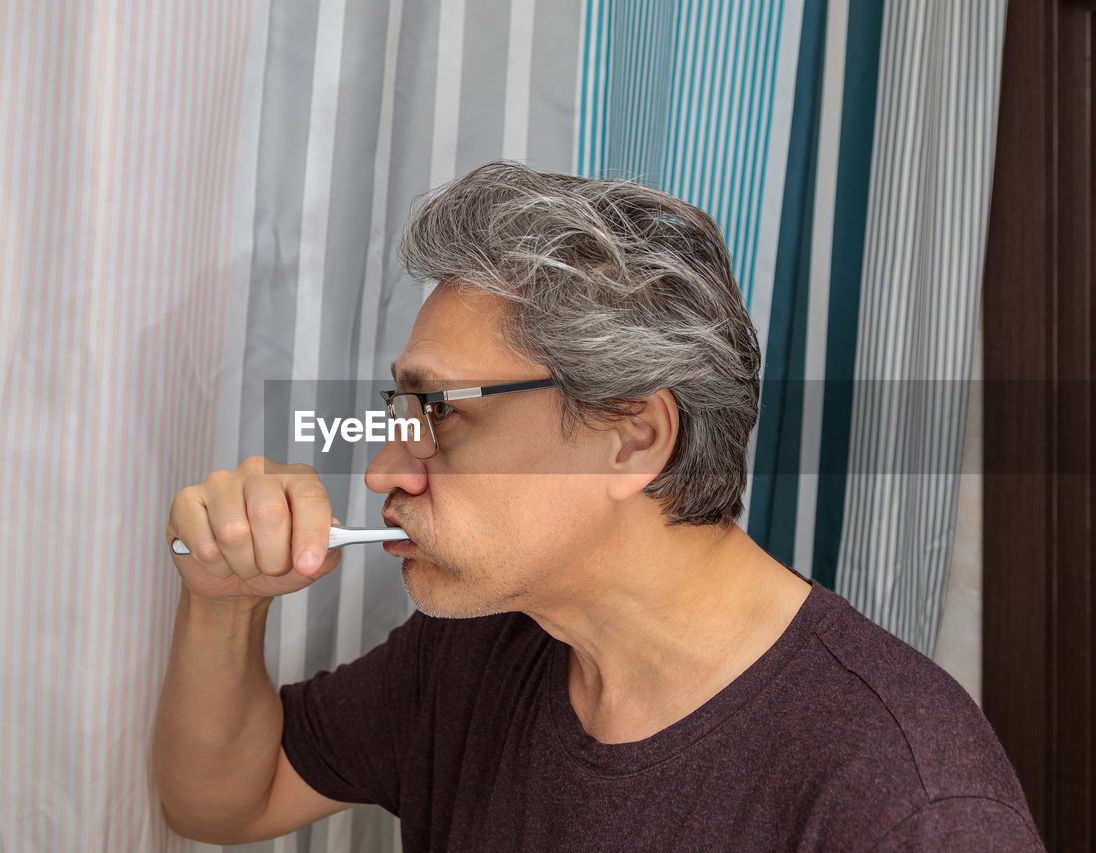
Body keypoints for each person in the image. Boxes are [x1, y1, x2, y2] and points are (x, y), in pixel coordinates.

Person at [152, 162, 1041, 850]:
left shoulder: (905, 800)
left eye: (441, 413)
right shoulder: (481, 639)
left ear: (634, 436)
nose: (387, 469)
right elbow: (227, 795)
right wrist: (224, 604)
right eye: (400, 412)